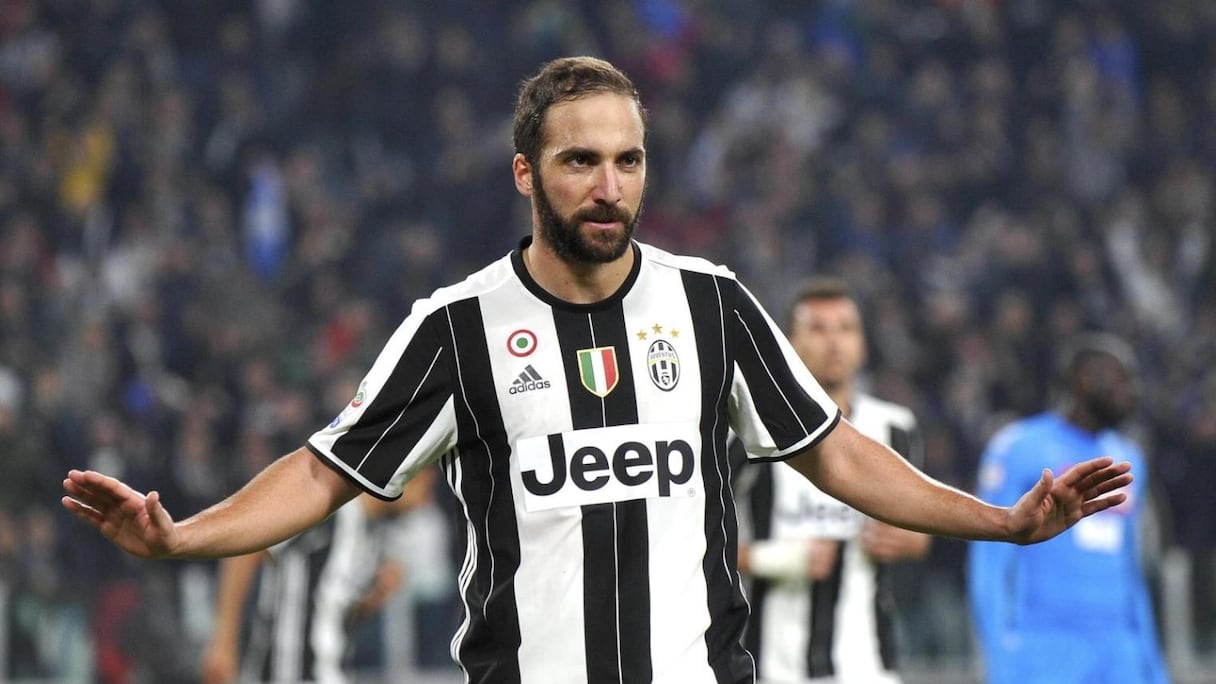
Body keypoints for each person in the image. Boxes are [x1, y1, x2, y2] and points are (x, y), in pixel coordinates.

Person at [62, 56, 1132, 684]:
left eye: (627, 160)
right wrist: (182, 537)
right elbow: (322, 470)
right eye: (580, 160)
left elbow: (835, 453)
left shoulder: (711, 304)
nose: (608, 186)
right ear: (526, 173)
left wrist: (1001, 522)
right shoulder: (456, 328)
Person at [736, 276, 930, 683]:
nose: (834, 342)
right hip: (775, 666)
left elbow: (921, 531)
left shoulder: (896, 428)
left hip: (869, 666)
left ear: (862, 343)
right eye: (818, 329)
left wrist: (909, 540)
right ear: (789, 342)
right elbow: (697, 540)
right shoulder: (747, 430)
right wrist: (776, 559)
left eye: (846, 328)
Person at [967, 332, 1169, 684]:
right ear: (1084, 379)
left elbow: (1131, 566)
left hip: (1119, 647)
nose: (1132, 390)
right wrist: (1000, 655)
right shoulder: (1020, 447)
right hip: (1045, 644)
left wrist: (1151, 661)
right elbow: (990, 561)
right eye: (1121, 379)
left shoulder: (1129, 457)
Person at [200, 470, 435, 684]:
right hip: (285, 672)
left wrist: (374, 597)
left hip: (332, 672)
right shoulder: (329, 511)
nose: (427, 499)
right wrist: (224, 640)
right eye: (427, 485)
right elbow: (247, 544)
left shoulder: (373, 536)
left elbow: (333, 613)